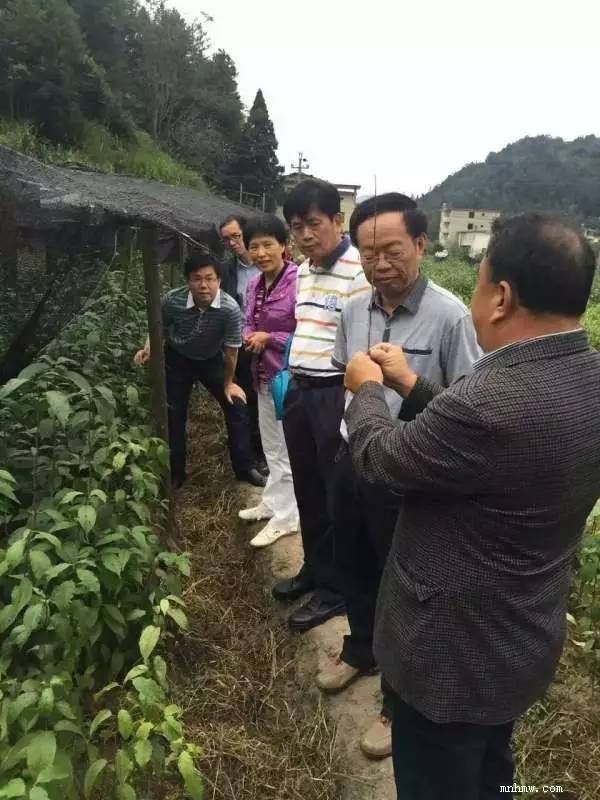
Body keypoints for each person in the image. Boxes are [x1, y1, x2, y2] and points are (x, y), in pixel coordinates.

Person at [342, 213, 600, 800]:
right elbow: (487, 451)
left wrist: (366, 390)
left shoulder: (489, 399)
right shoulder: (588, 377)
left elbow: (383, 461)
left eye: (480, 283)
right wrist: (412, 385)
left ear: (501, 297)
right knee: (490, 767)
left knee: (439, 779)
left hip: (448, 654)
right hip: (520, 639)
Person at [317, 193, 480, 759]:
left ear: (420, 244)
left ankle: (396, 701)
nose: (380, 263)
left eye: (392, 250)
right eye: (369, 253)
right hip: (354, 457)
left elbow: (465, 405)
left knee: (404, 588)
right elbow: (345, 379)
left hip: (409, 476)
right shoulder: (353, 310)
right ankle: (360, 648)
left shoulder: (451, 316)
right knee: (352, 560)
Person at [271, 179, 370, 632]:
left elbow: (359, 343)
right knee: (307, 488)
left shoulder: (359, 271)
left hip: (334, 392)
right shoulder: (304, 271)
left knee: (336, 495)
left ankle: (336, 591)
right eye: (297, 227)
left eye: (314, 224)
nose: (306, 235)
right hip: (301, 390)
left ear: (337, 220)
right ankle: (314, 568)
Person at [134, 253, 266, 489]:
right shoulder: (172, 301)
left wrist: (228, 383)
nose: (204, 285)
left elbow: (232, 351)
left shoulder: (229, 309)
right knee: (173, 414)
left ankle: (245, 468)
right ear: (188, 281)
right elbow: (157, 328)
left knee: (236, 405)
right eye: (197, 279)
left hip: (211, 359)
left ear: (219, 281)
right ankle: (175, 473)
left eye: (209, 278)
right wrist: (148, 349)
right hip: (177, 359)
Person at [237, 214, 300, 547]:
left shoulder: (298, 281)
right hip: (262, 375)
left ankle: (288, 518)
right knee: (271, 446)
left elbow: (308, 332)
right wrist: (249, 334)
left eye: (267, 245)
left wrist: (269, 338)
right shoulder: (254, 284)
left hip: (288, 377)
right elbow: (248, 321)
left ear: (283, 245)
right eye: (254, 246)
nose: (260, 253)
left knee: (287, 449)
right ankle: (273, 503)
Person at [219, 214, 265, 473]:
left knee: (267, 401)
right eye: (226, 239)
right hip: (241, 346)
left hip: (269, 343)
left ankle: (267, 452)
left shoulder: (269, 265)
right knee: (244, 400)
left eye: (236, 236)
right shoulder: (227, 271)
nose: (232, 243)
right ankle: (250, 457)